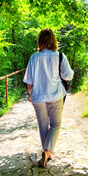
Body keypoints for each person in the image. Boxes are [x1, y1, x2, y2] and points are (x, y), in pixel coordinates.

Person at [23, 28, 74, 167]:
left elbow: (29, 80)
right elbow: (68, 76)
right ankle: (47, 151)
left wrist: (29, 94)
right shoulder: (59, 56)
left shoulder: (34, 57)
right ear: (53, 40)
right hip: (55, 95)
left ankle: (47, 152)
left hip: (37, 96)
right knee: (56, 125)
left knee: (43, 125)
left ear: (39, 40)